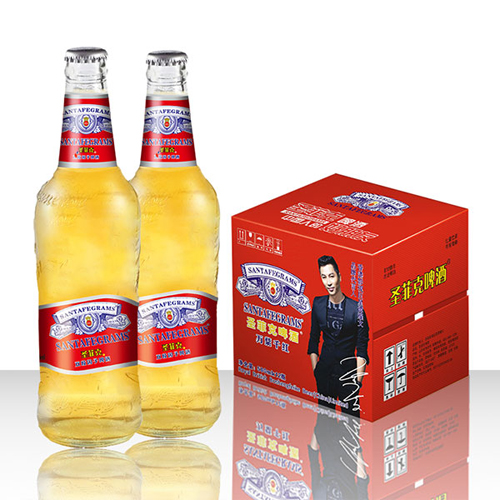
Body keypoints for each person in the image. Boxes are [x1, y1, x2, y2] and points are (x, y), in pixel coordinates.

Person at [307, 255, 369, 417]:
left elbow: (362, 348)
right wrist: (316, 372)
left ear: (339, 277)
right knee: (324, 422)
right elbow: (314, 338)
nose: (328, 282)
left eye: (331, 276)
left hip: (348, 378)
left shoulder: (357, 309)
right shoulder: (318, 304)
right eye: (324, 277)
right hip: (324, 375)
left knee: (351, 425)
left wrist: (357, 383)